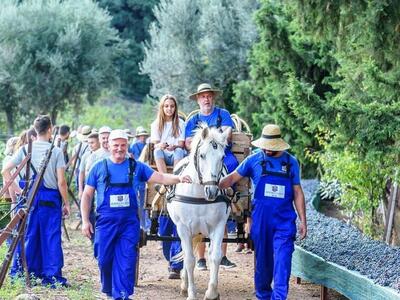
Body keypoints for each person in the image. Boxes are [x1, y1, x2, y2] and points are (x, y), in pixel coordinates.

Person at [80, 129, 191, 300]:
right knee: (103, 259)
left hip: (128, 223)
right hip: (105, 222)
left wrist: (180, 178)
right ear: (109, 145)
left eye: (123, 145)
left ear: (127, 146)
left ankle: (122, 295)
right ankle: (110, 291)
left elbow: (160, 177)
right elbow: (87, 195)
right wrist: (86, 220)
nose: (119, 149)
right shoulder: (98, 167)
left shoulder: (136, 167)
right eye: (115, 145)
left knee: (126, 261)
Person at [219, 124, 307, 300]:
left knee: (283, 261)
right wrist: (215, 184)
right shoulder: (254, 160)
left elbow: (297, 192)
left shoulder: (291, 163)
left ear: (278, 146)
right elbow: (233, 177)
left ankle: (279, 297)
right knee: (263, 263)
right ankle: (263, 295)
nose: (266, 150)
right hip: (261, 221)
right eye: (264, 147)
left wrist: (303, 221)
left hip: (284, 221)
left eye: (270, 148)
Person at [2, 115, 71, 287]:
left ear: (35, 128)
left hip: (29, 198)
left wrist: (18, 191)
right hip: (50, 199)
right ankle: (52, 276)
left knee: (28, 235)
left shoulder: (26, 149)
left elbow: (5, 170)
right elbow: (61, 182)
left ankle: (27, 272)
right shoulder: (55, 151)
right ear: (50, 129)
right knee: (51, 237)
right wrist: (67, 203)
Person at [185, 83, 238, 270]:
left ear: (212, 98)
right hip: (201, 155)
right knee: (188, 167)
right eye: (202, 96)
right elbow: (187, 141)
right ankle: (200, 258)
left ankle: (231, 193)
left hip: (222, 153)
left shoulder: (222, 113)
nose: (206, 99)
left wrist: (216, 138)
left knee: (232, 165)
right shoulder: (193, 119)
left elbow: (227, 133)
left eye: (209, 96)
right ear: (198, 100)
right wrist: (200, 143)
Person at [151, 94, 185, 173]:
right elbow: (155, 144)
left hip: (176, 155)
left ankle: (175, 177)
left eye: (172, 106)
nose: (169, 109)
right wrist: (160, 145)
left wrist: (174, 146)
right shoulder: (156, 124)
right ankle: (165, 180)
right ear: (162, 108)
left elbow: (181, 144)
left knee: (179, 150)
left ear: (175, 108)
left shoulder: (181, 123)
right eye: (166, 106)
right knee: (157, 151)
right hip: (163, 156)